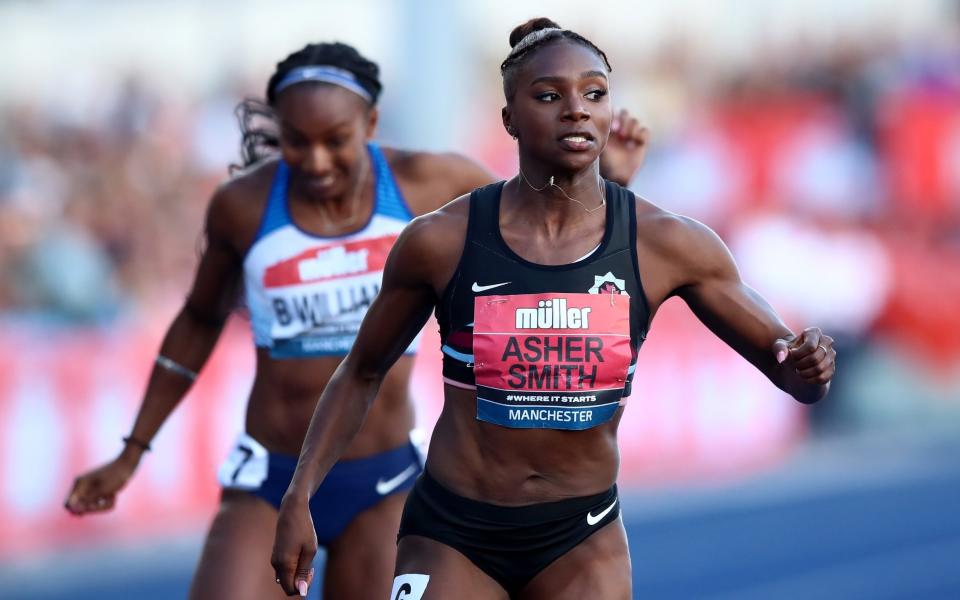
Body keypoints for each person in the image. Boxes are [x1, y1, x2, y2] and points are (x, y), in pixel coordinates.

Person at [270, 19, 837, 600]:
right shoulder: (440, 241)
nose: (576, 111)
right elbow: (361, 371)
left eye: (594, 94)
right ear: (509, 118)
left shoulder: (666, 243)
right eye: (549, 96)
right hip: (452, 533)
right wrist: (298, 497)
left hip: (580, 538)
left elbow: (792, 373)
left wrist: (805, 369)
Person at [63, 41, 648, 600]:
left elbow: (543, 226)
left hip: (385, 482)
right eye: (296, 142)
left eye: (336, 141)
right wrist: (133, 450)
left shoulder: (431, 184)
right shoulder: (243, 205)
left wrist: (610, 178)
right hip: (270, 478)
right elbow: (197, 321)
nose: (316, 162)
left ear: (370, 125)